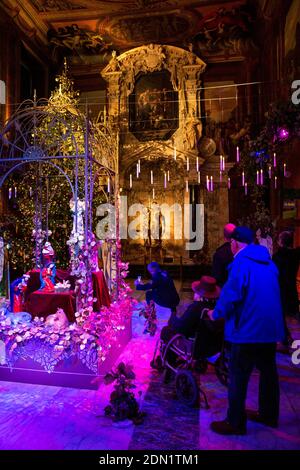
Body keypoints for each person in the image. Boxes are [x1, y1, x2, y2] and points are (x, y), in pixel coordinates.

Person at [207, 226, 285, 435]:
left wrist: (214, 314)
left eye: (231, 243)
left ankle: (235, 422)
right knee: (269, 373)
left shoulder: (240, 264)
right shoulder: (269, 263)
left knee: (238, 376)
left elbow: (230, 297)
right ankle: (268, 415)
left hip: (247, 330)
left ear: (235, 243)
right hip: (268, 329)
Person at [273, 231, 300, 342]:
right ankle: (287, 336)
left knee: (280, 314)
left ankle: (284, 338)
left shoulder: (277, 256)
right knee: (293, 314)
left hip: (280, 288)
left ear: (280, 242)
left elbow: (274, 273)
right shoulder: (295, 254)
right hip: (291, 288)